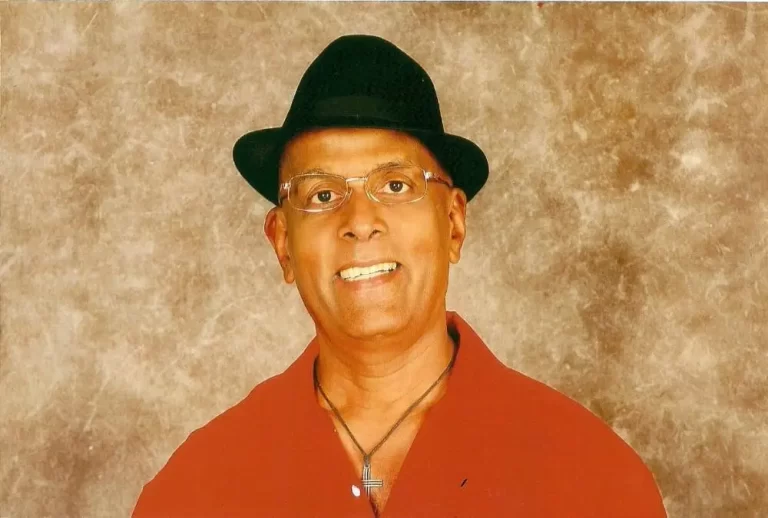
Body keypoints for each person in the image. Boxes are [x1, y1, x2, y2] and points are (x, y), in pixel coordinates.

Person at [132, 35, 666, 517]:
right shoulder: (195, 490)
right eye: (321, 195)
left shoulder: (593, 479)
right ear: (282, 245)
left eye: (394, 186)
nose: (360, 222)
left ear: (453, 223)